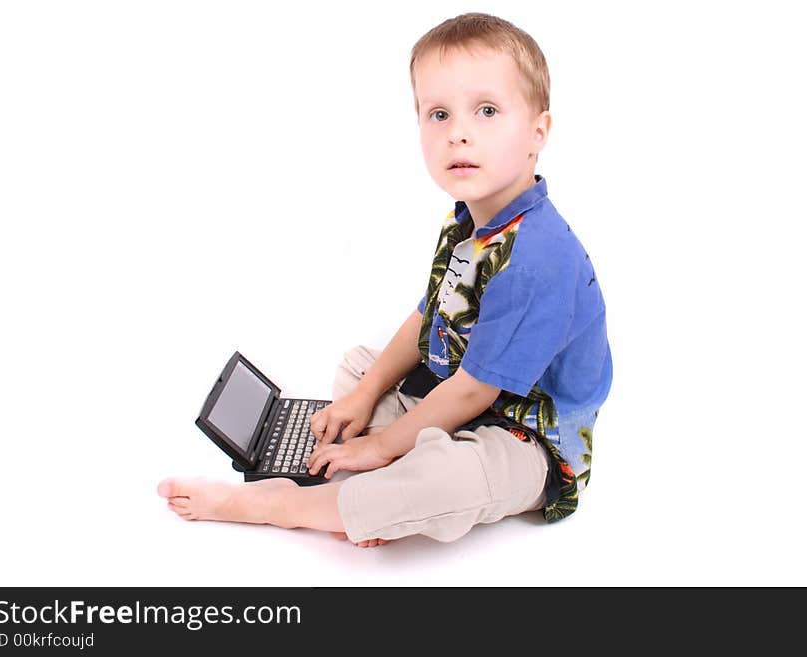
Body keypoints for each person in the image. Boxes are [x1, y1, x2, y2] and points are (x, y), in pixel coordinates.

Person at [158, 12, 612, 548]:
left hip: (525, 435)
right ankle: (382, 493)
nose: (458, 132)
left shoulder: (537, 258)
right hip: (460, 395)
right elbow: (430, 313)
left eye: (487, 111)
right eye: (438, 114)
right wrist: (367, 394)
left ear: (539, 132)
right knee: (359, 368)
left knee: (452, 479)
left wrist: (381, 447)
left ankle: (288, 504)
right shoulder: (472, 220)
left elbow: (474, 389)